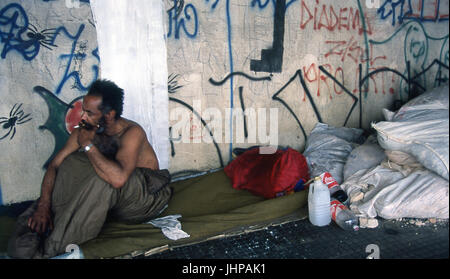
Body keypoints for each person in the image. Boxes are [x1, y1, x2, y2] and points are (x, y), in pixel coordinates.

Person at [8, 79, 173, 258]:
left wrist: (87, 144)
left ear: (109, 115)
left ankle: (53, 250)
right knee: (72, 163)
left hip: (146, 198)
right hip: (111, 199)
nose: (83, 117)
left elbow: (118, 180)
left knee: (104, 180)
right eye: (83, 111)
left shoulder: (131, 133)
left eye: (89, 113)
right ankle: (42, 231)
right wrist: (44, 205)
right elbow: (55, 165)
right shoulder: (85, 130)